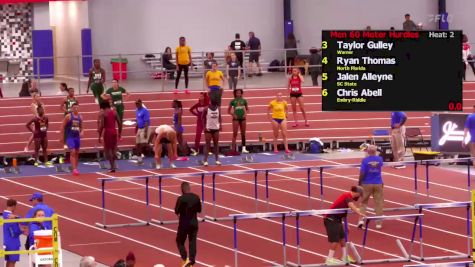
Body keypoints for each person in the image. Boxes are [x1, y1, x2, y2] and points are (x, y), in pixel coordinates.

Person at [324, 186, 364, 265]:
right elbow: (351, 205)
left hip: (337, 219)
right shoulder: (347, 195)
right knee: (335, 240)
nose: (359, 197)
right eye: (360, 195)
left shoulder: (349, 197)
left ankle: (345, 256)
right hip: (331, 219)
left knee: (342, 239)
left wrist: (347, 225)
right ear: (357, 193)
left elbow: (344, 213)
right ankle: (329, 259)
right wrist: (359, 212)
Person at [175, 182, 202, 267]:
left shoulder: (181, 198)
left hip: (184, 222)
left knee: (179, 241)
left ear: (182, 190)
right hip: (194, 222)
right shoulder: (196, 197)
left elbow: (176, 211)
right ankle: (192, 261)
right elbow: (199, 210)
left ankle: (185, 258)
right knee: (192, 241)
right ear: (189, 188)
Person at [357, 145, 384, 229]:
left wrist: (359, 182)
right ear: (375, 151)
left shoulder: (365, 160)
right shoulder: (380, 159)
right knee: (378, 203)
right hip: (378, 183)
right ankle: (378, 223)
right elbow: (380, 164)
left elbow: (362, 172)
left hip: (367, 183)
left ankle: (361, 220)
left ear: (368, 152)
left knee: (364, 202)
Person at [98, 101, 122, 173]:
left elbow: (102, 125)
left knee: (109, 150)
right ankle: (114, 165)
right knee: (114, 149)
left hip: (107, 132)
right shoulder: (114, 112)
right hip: (114, 131)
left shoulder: (103, 113)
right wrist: (120, 133)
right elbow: (119, 123)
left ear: (103, 107)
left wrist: (99, 135)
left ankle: (112, 167)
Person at [60, 103, 83, 175]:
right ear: (72, 108)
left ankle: (76, 168)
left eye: (77, 107)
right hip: (70, 137)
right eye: (74, 107)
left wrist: (82, 132)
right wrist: (62, 137)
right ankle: (74, 169)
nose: (76, 109)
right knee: (72, 152)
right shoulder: (68, 116)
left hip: (77, 137)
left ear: (79, 108)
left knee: (76, 153)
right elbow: (63, 127)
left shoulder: (80, 117)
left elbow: (82, 127)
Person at [228, 89, 249, 154]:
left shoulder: (244, 101)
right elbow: (228, 111)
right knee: (235, 134)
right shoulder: (233, 101)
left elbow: (247, 109)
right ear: (235, 94)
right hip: (236, 119)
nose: (238, 94)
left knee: (243, 133)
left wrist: (245, 114)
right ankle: (233, 149)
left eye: (240, 93)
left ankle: (244, 148)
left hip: (243, 119)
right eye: (237, 93)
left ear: (241, 94)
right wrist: (233, 115)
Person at [3, 199, 22, 267]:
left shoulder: (3, 215)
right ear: (14, 206)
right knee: (12, 262)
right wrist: (21, 230)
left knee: (8, 262)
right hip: (12, 243)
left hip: (5, 241)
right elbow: (14, 232)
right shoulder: (11, 217)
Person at [202, 99, 222, 166]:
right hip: (208, 129)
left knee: (216, 144)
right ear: (210, 102)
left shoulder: (218, 108)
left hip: (216, 128)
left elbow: (220, 117)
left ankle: (217, 160)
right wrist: (204, 126)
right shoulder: (206, 108)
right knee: (208, 145)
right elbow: (202, 117)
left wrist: (220, 125)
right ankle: (205, 160)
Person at [134, 99, 151, 164]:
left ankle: (155, 151)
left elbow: (146, 122)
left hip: (144, 128)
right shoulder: (137, 111)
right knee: (138, 144)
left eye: (138, 104)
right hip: (139, 129)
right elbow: (138, 120)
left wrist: (146, 132)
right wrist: (136, 128)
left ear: (141, 103)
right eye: (136, 104)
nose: (137, 105)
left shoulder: (145, 111)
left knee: (143, 144)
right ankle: (139, 160)